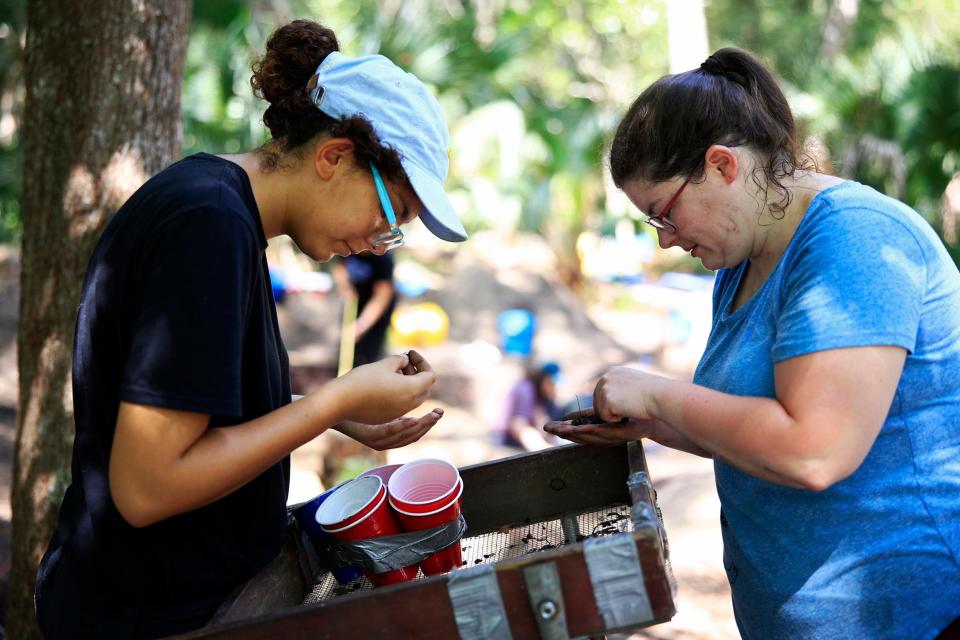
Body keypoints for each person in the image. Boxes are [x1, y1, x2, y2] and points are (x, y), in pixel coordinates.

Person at [34, 19, 468, 639]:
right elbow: (146, 486)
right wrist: (329, 402)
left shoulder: (219, 209)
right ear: (335, 157)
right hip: (144, 616)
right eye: (389, 215)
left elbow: (191, 416)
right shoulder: (207, 228)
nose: (380, 243)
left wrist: (339, 414)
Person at [546, 48, 960, 640]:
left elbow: (814, 450)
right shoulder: (739, 268)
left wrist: (660, 396)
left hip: (907, 618)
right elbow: (751, 431)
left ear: (721, 166)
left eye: (664, 214)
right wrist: (648, 425)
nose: (665, 242)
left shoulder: (856, 238)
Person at [332, 251, 396, 367]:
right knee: (347, 346)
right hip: (354, 304)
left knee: (367, 353)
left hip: (375, 310)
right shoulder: (349, 249)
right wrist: (344, 285)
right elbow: (339, 266)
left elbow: (381, 296)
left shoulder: (383, 259)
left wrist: (361, 326)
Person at [495, 362, 563, 451]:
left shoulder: (542, 395)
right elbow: (518, 425)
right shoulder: (525, 390)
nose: (554, 388)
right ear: (544, 379)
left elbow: (541, 419)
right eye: (552, 384)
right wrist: (542, 447)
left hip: (527, 437)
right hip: (506, 440)